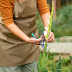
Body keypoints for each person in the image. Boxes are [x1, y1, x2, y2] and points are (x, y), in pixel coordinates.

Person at [0, 0, 55, 72]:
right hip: (9, 42)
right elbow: (8, 21)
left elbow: (44, 10)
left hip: (31, 41)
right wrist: (26, 39)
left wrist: (47, 30)